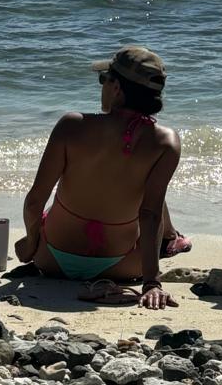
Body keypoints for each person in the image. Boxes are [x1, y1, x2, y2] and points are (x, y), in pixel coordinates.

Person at [14, 46, 183, 310]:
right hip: (124, 266)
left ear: (116, 88)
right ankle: (174, 238)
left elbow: (35, 201)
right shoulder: (166, 142)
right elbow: (150, 215)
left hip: (52, 260)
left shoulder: (71, 126)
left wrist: (31, 245)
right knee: (150, 199)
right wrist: (151, 282)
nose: (102, 86)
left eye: (104, 79)